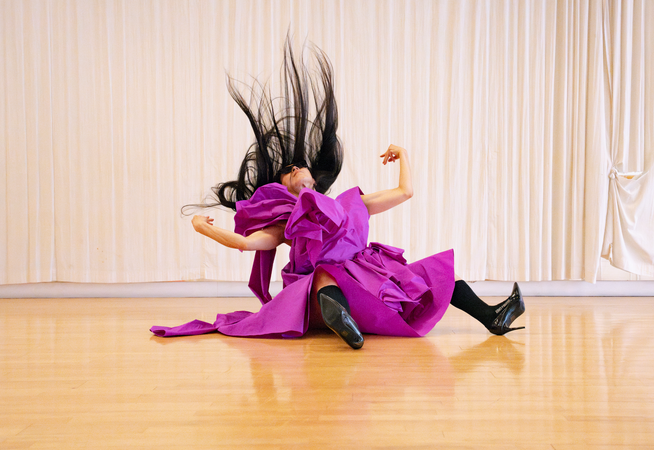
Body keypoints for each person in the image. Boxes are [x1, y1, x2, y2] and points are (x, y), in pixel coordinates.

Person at [150, 39, 525, 349]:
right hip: (323, 294)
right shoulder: (287, 222)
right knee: (325, 274)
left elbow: (405, 191)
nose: (295, 171)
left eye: (298, 166)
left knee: (435, 276)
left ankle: (492, 315)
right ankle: (343, 323)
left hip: (372, 283)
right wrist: (203, 227)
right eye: (287, 172)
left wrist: (404, 155)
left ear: (312, 176)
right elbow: (246, 244)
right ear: (280, 187)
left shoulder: (349, 204)